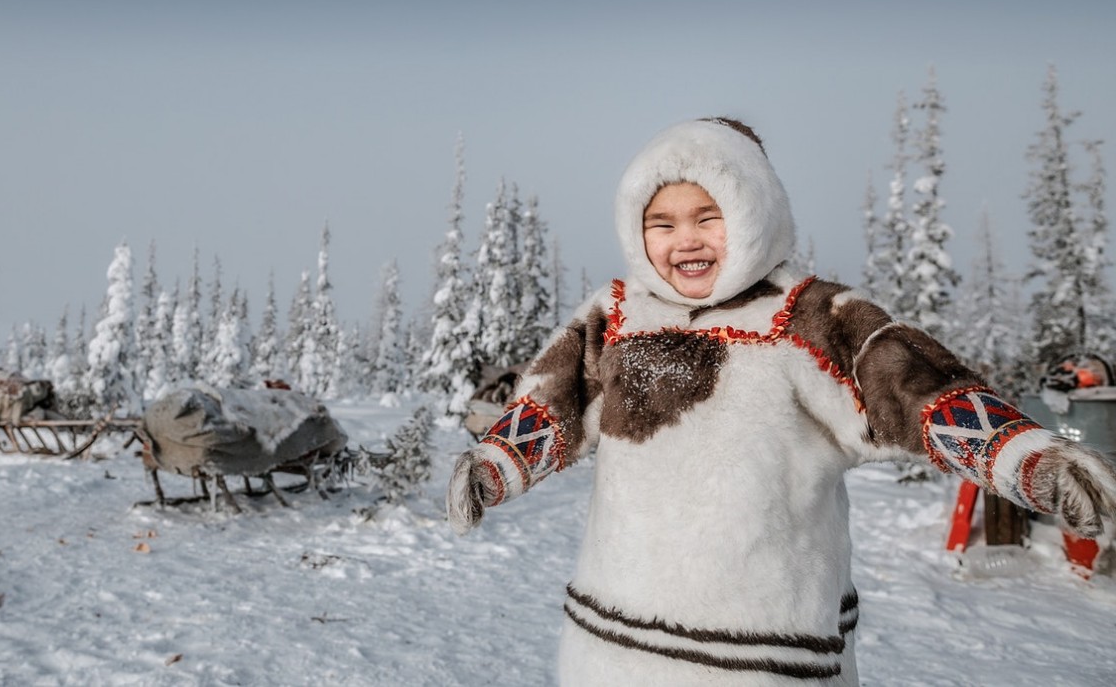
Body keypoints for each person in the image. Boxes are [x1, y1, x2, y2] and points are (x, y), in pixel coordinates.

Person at [446, 117, 1116, 686]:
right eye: (664, 221)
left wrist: (1032, 461)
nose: (686, 239)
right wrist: (493, 466)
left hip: (766, 648)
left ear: (754, 216)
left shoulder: (812, 317)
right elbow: (552, 402)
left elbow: (925, 392)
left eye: (710, 216)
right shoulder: (617, 315)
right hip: (615, 641)